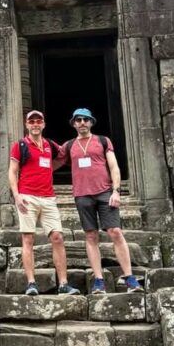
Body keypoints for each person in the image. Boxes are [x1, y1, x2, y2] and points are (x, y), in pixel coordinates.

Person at [62, 108, 141, 294]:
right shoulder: (68, 146)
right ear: (73, 123)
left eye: (86, 119)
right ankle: (99, 280)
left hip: (104, 192)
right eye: (78, 120)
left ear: (91, 122)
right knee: (91, 235)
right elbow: (50, 163)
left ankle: (130, 278)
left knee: (115, 232)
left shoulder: (103, 141)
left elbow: (114, 167)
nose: (82, 122)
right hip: (82, 194)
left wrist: (116, 191)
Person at [9, 110, 79, 296]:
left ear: (44, 124)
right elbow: (12, 171)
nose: (35, 124)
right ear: (26, 124)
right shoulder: (20, 145)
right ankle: (31, 283)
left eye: (38, 121)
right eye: (31, 122)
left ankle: (63, 283)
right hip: (27, 196)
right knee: (28, 239)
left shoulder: (49, 145)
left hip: (48, 197)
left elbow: (63, 155)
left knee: (57, 237)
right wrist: (16, 195)